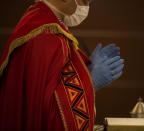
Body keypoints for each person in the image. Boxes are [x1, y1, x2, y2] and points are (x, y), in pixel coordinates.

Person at [0, 0, 124, 130]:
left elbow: (56, 85)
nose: (86, 7)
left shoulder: (44, 23)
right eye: (85, 1)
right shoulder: (44, 37)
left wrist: (86, 71)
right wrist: (90, 83)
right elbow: (47, 113)